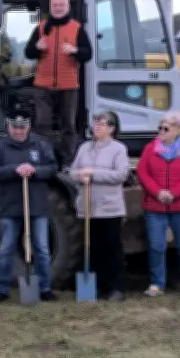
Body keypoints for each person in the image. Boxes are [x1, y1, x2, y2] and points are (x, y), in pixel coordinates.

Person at [0, 109, 58, 303]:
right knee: (5, 249)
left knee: (42, 249)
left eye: (22, 127)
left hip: (36, 206)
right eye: (14, 127)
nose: (18, 131)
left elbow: (52, 169)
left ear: (28, 126)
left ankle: (45, 288)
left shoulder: (41, 145)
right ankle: (2, 289)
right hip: (9, 207)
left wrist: (34, 170)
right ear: (8, 126)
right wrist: (14, 170)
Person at [136, 111, 180, 299]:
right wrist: (158, 192)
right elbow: (143, 173)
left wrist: (173, 194)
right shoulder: (150, 149)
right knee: (156, 247)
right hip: (155, 207)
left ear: (177, 129)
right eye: (160, 126)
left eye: (166, 127)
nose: (161, 130)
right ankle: (157, 283)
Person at [24, 0, 93, 168]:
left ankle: (68, 160)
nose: (58, 8)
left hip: (68, 85)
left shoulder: (76, 28)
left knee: (68, 125)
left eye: (61, 5)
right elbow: (28, 53)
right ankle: (45, 159)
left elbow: (88, 54)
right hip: (43, 85)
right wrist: (36, 47)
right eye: (55, 5)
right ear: (50, 7)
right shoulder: (40, 28)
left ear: (68, 7)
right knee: (42, 124)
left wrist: (75, 50)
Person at [69, 111, 130, 301]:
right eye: (96, 122)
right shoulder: (84, 148)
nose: (97, 126)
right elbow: (72, 172)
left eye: (102, 123)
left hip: (110, 208)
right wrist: (81, 175)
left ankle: (116, 288)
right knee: (92, 247)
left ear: (111, 128)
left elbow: (121, 175)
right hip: (88, 206)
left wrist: (93, 173)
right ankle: (96, 286)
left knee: (111, 247)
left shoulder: (118, 149)